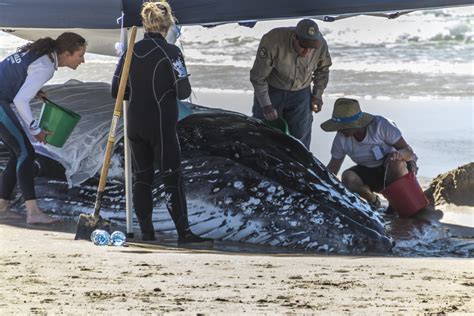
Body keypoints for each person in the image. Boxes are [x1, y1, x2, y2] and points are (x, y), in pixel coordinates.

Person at [111, 2, 212, 245]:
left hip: (135, 124)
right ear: (168, 26)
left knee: (142, 178)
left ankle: (147, 233)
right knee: (172, 177)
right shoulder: (172, 52)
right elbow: (183, 91)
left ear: (146, 24)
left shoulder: (129, 52)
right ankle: (184, 234)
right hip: (161, 125)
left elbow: (117, 90)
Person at [0, 32, 86, 224]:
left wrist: (34, 89)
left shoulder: (42, 57)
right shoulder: (46, 66)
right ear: (66, 52)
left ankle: (2, 207)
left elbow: (16, 74)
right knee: (26, 153)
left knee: (18, 152)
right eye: (80, 55)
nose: (83, 60)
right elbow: (21, 101)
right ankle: (34, 213)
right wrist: (36, 130)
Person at [321, 98, 418, 209]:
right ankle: (373, 200)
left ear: (355, 124)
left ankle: (397, 203)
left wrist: (400, 154)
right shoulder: (341, 138)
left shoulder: (380, 125)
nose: (339, 130)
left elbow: (408, 151)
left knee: (394, 161)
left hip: (395, 170)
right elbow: (333, 168)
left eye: (342, 127)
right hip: (369, 173)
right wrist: (320, 181)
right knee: (348, 177)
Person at [250, 19, 332, 149]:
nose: (307, 52)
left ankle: (301, 168)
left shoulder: (320, 44)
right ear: (295, 37)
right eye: (303, 46)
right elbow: (258, 77)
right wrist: (266, 104)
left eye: (311, 48)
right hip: (272, 90)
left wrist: (317, 95)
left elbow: (323, 70)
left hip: (301, 92)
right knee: (263, 131)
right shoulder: (272, 40)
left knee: (299, 137)